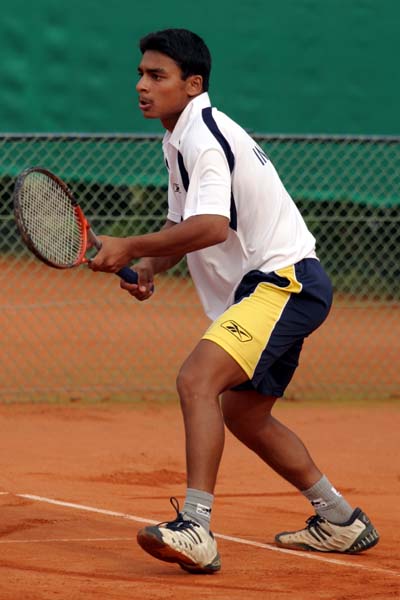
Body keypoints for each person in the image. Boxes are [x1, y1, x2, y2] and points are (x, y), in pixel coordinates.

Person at [88, 28, 379, 573]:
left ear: (193, 84)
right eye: (141, 74)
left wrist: (128, 245)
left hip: (284, 282)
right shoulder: (180, 139)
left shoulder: (203, 136)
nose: (142, 86)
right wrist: (148, 264)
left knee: (197, 381)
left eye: (157, 76)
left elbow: (211, 227)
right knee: (245, 414)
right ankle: (340, 518)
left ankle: (196, 526)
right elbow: (182, 225)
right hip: (279, 285)